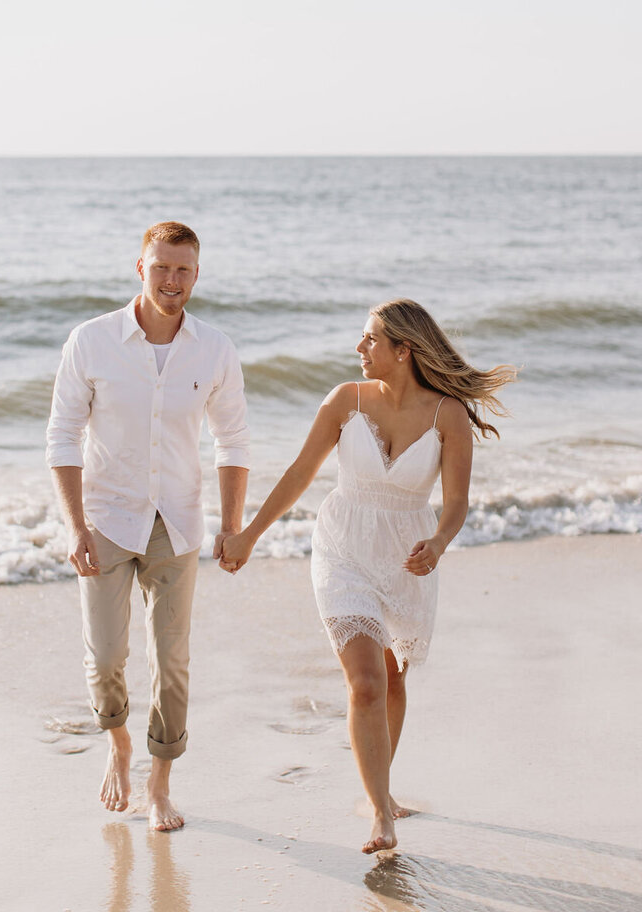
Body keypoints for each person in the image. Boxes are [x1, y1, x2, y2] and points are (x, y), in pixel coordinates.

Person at [219, 299, 515, 854]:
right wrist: (249, 534)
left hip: (408, 555)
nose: (359, 350)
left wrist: (440, 542)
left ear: (403, 350)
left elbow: (456, 503)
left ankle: (381, 785)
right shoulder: (344, 401)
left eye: (369, 340)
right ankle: (381, 812)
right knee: (365, 681)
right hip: (343, 547)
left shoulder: (446, 413)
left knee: (393, 679)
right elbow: (300, 473)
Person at [46, 221, 249, 832]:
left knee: (171, 659)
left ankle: (160, 782)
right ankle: (119, 744)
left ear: (197, 274)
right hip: (106, 519)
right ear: (140, 267)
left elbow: (232, 438)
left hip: (178, 523)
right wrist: (75, 525)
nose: (172, 280)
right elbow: (62, 434)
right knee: (106, 657)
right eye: (161, 267)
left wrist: (233, 524)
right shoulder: (92, 341)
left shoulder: (214, 349)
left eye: (183, 269)